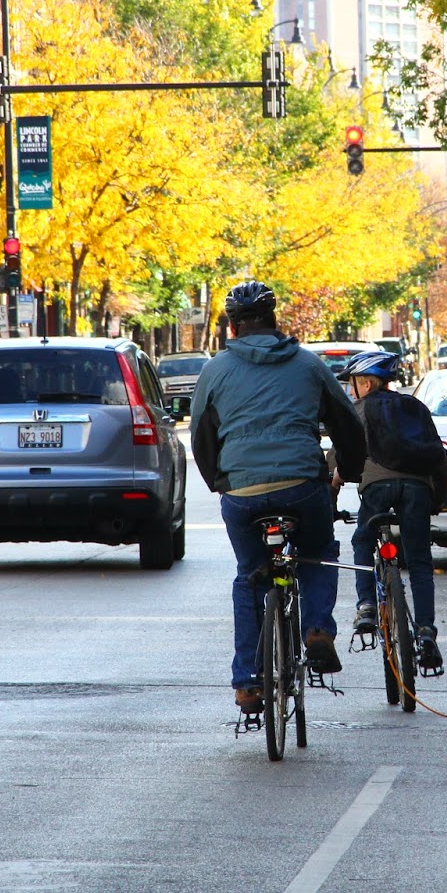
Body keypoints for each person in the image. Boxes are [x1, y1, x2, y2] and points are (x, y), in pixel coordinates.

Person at [191, 280, 367, 715]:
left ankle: (248, 683)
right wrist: (353, 471)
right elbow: (345, 423)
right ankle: (318, 631)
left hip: (242, 493)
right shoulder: (308, 365)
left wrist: (221, 481)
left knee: (250, 574)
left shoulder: (215, 370)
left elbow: (200, 435)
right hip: (301, 484)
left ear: (232, 328)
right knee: (318, 552)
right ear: (275, 321)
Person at [334, 350, 447, 672]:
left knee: (361, 540)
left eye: (353, 383)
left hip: (377, 490)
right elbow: (439, 459)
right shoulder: (416, 409)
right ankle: (426, 631)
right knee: (419, 561)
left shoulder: (358, 410)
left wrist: (331, 497)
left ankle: (367, 605)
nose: (351, 390)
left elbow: (337, 462)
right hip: (418, 491)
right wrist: (436, 500)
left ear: (368, 384)